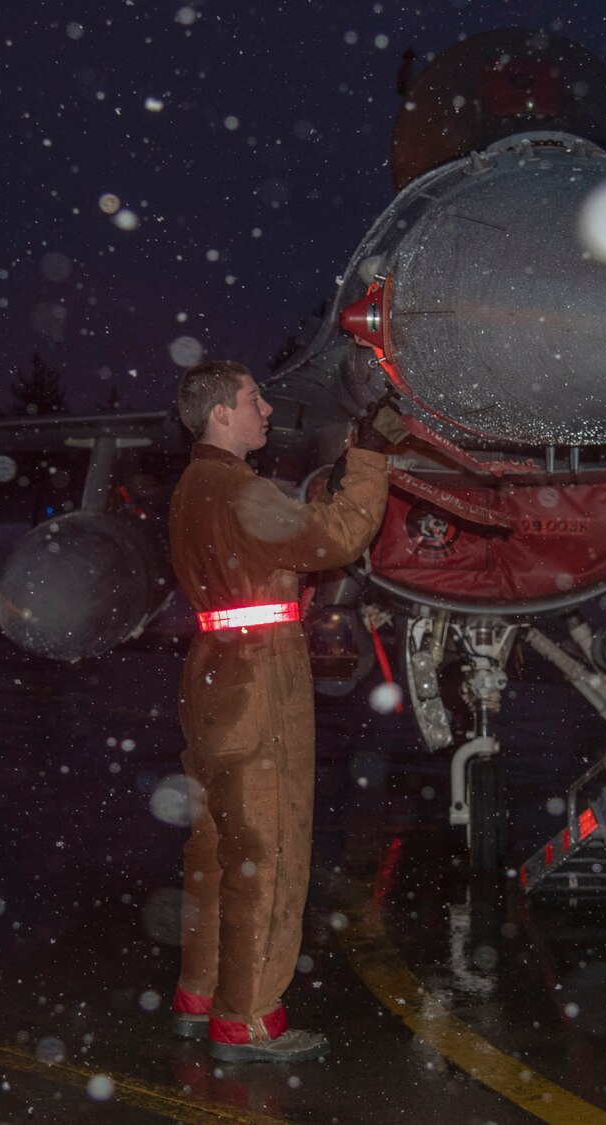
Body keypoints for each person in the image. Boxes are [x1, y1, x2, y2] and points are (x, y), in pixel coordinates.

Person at [166, 359, 401, 1063]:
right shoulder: (239, 489)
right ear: (219, 415)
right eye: (252, 399)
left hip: (210, 674)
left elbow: (282, 542)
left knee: (214, 851)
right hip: (260, 679)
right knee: (267, 851)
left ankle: (200, 993)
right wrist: (369, 461)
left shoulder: (192, 487)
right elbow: (337, 539)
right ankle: (249, 1019)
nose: (267, 408)